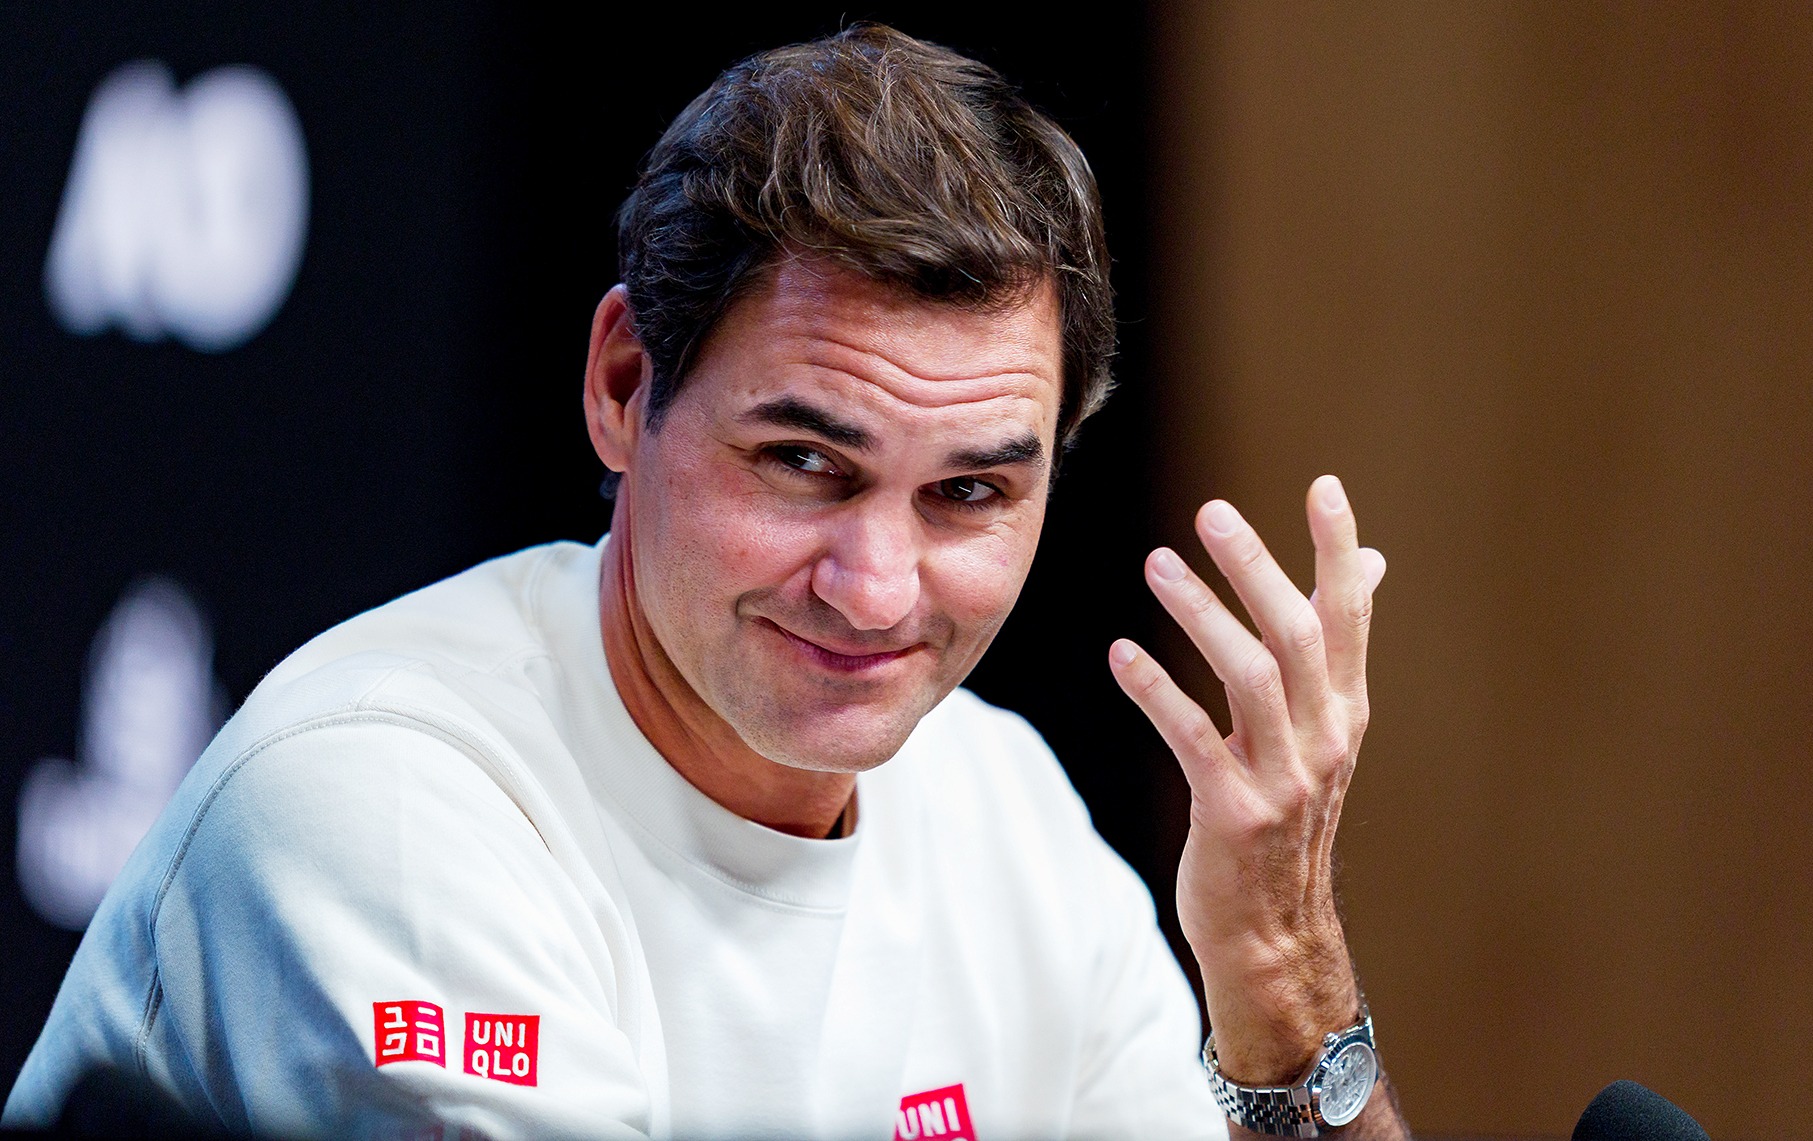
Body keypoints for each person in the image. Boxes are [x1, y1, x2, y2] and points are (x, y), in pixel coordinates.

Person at [6, 25, 1408, 1141]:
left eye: (968, 491)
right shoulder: (376, 800)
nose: (874, 588)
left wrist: (1280, 978)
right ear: (625, 388)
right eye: (804, 462)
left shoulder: (1007, 813)